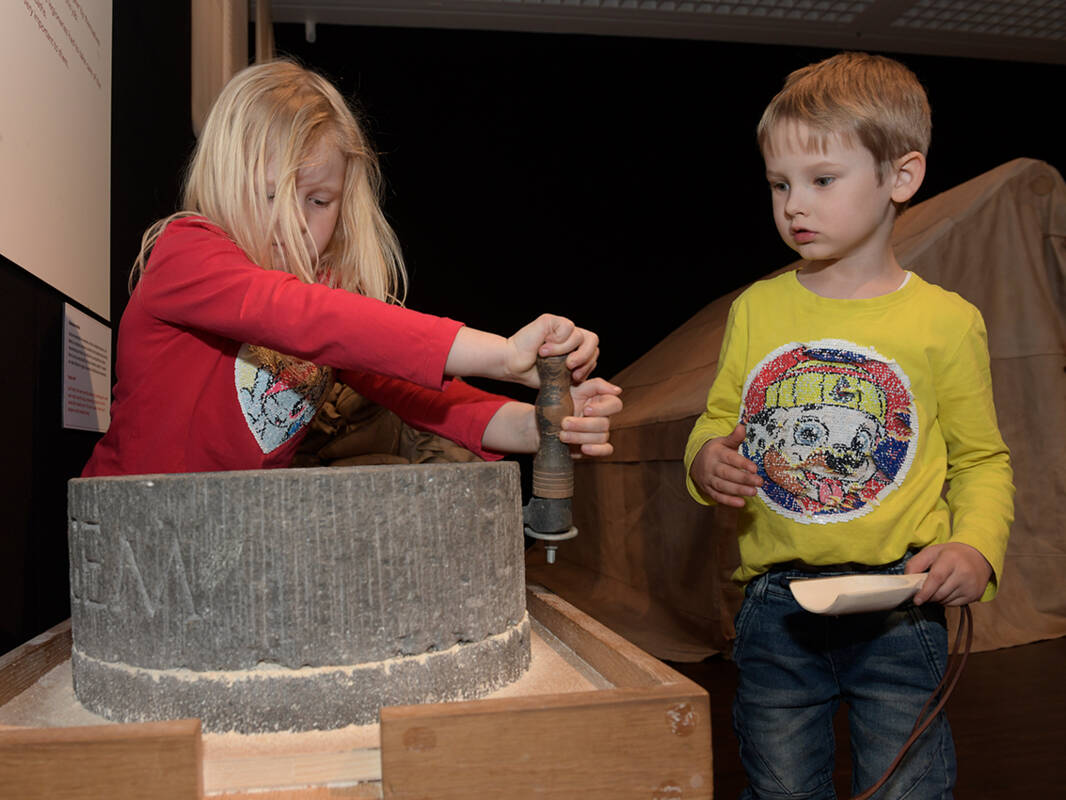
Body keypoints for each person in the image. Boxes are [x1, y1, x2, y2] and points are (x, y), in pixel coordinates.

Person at [685, 52, 1013, 799]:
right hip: (776, 610)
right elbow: (714, 421)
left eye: (822, 180)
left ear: (900, 177)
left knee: (910, 788)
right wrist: (706, 461)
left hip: (903, 603)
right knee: (781, 790)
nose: (794, 204)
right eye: (779, 184)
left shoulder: (947, 321)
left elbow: (983, 460)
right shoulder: (756, 310)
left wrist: (976, 545)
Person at [83, 60, 621, 478]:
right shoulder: (187, 252)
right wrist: (504, 355)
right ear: (226, 177)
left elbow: (429, 397)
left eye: (318, 201)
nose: (293, 222)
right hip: (132, 534)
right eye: (271, 193)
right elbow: (307, 316)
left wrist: (544, 425)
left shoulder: (324, 291)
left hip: (225, 545)